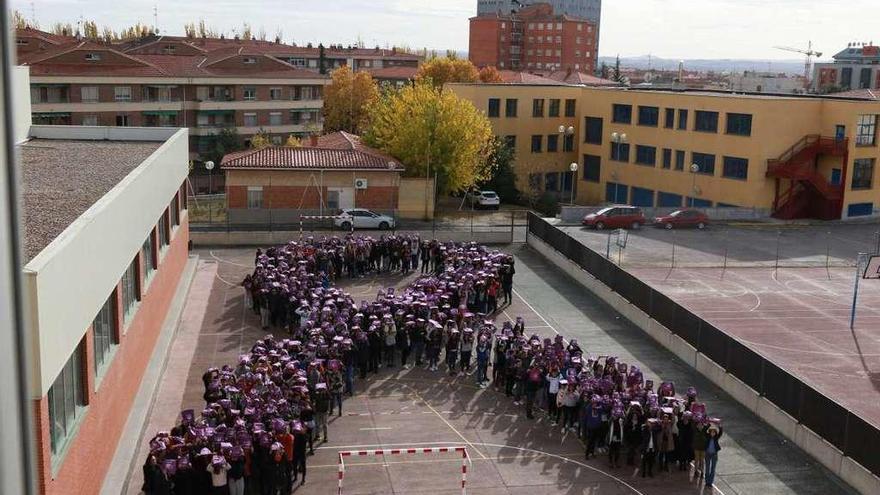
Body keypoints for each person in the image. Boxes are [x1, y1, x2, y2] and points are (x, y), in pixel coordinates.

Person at [704, 423, 723, 489]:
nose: (712, 433)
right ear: (709, 433)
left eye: (714, 432)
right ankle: (707, 482)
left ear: (715, 433)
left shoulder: (716, 438)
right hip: (707, 454)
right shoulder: (707, 436)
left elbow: (720, 433)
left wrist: (720, 427)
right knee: (707, 468)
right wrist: (708, 425)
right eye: (711, 432)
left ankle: (710, 482)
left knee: (713, 468)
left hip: (714, 454)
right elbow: (704, 431)